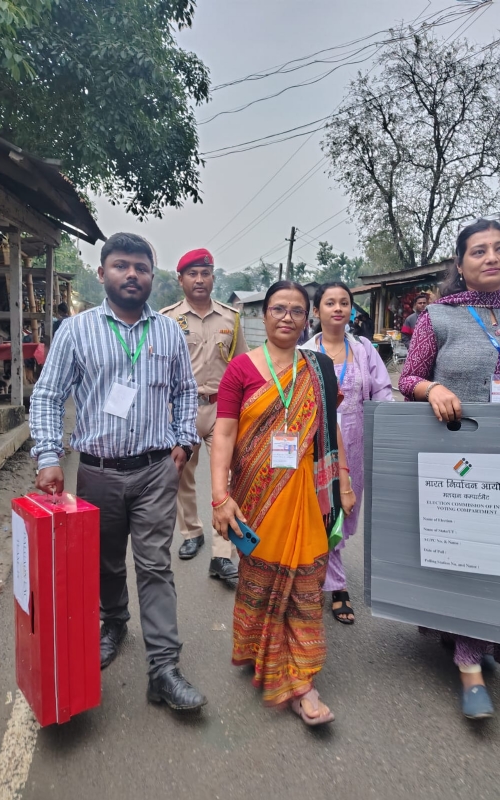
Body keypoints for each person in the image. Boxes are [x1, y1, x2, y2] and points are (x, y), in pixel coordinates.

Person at [30, 232, 207, 712]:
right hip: (98, 473)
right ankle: (114, 623)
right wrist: (48, 457)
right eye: (122, 266)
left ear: (153, 276)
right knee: (105, 562)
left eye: (141, 267)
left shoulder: (169, 332)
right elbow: (48, 396)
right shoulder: (76, 330)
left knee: (154, 565)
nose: (132, 274)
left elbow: (184, 393)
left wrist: (183, 440)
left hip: (155, 471)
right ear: (102, 272)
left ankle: (164, 668)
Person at [398, 218, 500, 720]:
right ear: (461, 264)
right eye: (478, 252)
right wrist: (435, 389)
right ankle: (469, 665)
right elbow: (408, 377)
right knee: (469, 555)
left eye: (499, 249)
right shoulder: (439, 319)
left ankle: (473, 636)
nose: (491, 258)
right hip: (460, 458)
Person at [210, 280, 356, 725]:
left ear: (307, 316)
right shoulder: (241, 369)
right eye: (278, 309)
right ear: (264, 315)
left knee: (305, 585)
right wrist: (220, 497)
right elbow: (225, 433)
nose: (287, 317)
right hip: (256, 497)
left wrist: (344, 482)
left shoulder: (319, 368)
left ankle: (301, 681)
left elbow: (330, 432)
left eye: (296, 310)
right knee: (260, 578)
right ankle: (260, 650)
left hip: (308, 497)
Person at [302, 282, 393, 623]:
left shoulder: (364, 349)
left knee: (347, 511)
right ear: (317, 311)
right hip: (319, 446)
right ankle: (337, 585)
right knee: (324, 511)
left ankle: (325, 569)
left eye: (344, 303)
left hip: (356, 444)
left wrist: (392, 426)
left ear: (351, 310)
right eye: (329, 303)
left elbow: (383, 390)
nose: (338, 308)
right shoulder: (306, 351)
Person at [160, 248, 249, 588]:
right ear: (180, 279)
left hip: (222, 409)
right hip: (180, 409)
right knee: (183, 475)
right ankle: (191, 531)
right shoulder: (167, 319)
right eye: (192, 273)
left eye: (205, 273)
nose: (199, 279)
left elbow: (241, 366)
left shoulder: (231, 317)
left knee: (225, 479)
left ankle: (222, 554)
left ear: (213, 277)